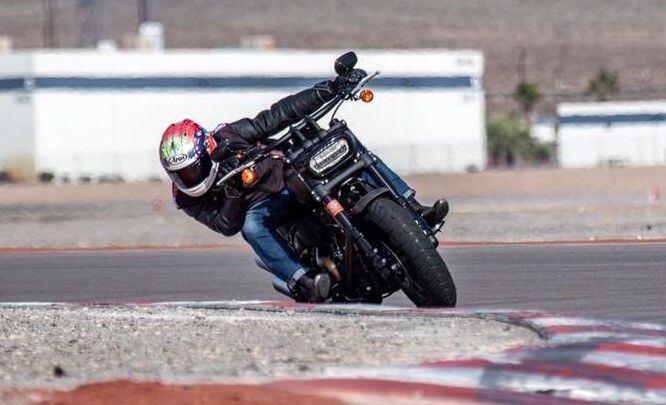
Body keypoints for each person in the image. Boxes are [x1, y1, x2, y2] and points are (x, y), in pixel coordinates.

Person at [158, 69, 448, 303]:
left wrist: (329, 88)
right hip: (266, 206)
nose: (189, 177)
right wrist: (233, 194)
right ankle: (303, 279)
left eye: (192, 168)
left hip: (290, 172)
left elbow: (276, 116)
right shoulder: (186, 198)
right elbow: (224, 225)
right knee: (252, 227)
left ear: (207, 150)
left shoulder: (228, 136)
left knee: (348, 142)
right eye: (181, 173)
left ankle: (412, 207)